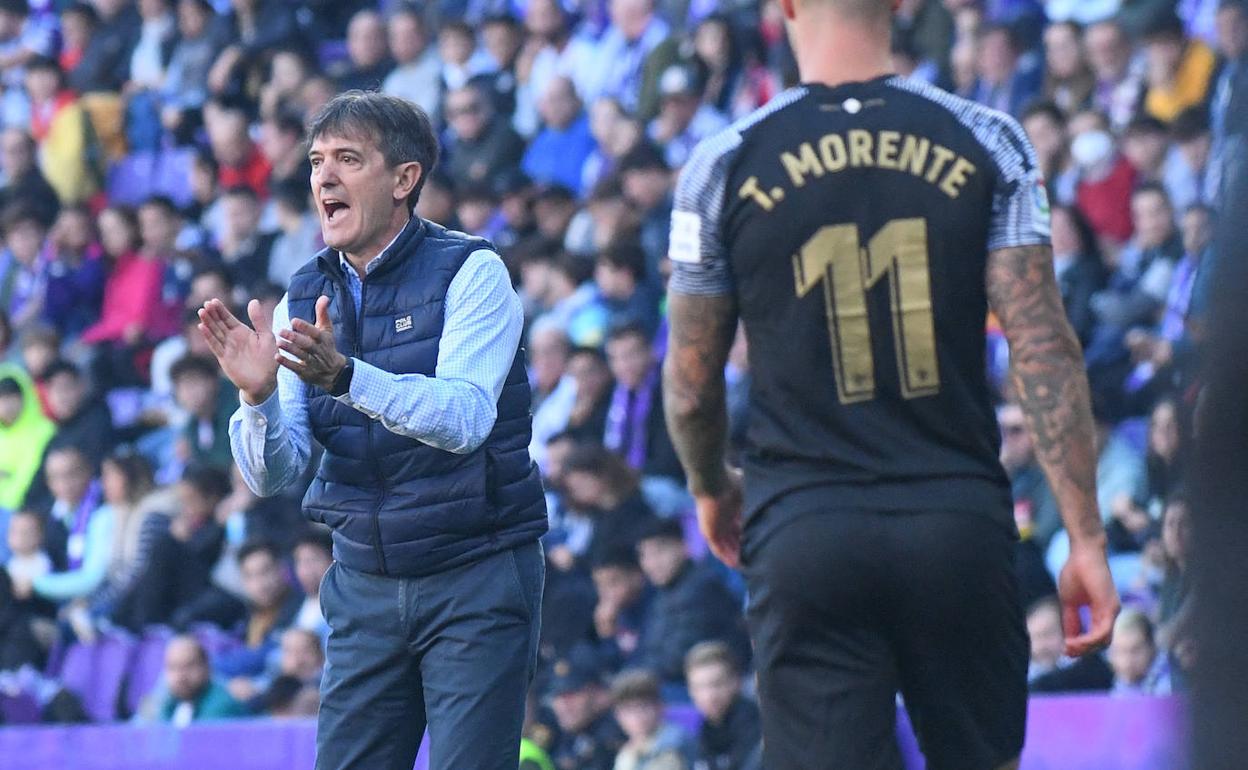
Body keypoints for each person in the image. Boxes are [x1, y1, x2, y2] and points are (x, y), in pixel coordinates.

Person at [660, 2, 1119, 768]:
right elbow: (1044, 346)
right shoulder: (988, 139)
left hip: (806, 527)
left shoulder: (724, 162)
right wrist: (1086, 535)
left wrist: (711, 485)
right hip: (955, 519)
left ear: (785, 8)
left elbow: (689, 385)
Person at [197, 91, 546, 770]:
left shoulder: (474, 273)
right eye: (318, 161)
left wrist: (347, 377)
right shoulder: (304, 290)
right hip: (363, 583)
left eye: (348, 159)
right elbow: (276, 473)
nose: (323, 177)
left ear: (404, 179)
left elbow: (467, 419)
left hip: (475, 573)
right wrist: (258, 395)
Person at [685, 641, 762, 770]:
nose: (709, 696)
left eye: (717, 684)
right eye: (699, 687)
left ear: (736, 682)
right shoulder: (706, 729)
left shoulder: (757, 727)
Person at [150, 635, 246, 725]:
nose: (180, 676)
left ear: (206, 667)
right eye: (173, 667)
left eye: (189, 666)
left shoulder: (222, 705)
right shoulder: (169, 703)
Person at [610, 668, 690, 770]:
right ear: (618, 715)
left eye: (643, 707)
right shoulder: (626, 753)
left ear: (659, 707)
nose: (637, 716)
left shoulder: (673, 742)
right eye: (628, 710)